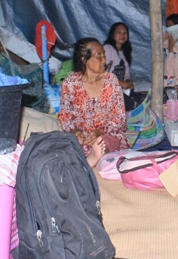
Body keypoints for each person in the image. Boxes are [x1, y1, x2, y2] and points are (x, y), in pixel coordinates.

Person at [58, 37, 129, 167]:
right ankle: (91, 158)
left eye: (103, 55)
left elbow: (119, 119)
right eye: (99, 56)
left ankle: (98, 155)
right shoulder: (70, 83)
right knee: (68, 144)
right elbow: (65, 117)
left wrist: (99, 132)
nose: (104, 60)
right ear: (84, 59)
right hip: (82, 137)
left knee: (104, 142)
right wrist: (75, 131)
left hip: (107, 134)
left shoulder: (111, 81)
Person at [103, 22, 137, 110]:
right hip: (106, 88)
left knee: (139, 99)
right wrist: (121, 83)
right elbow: (101, 73)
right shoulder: (107, 48)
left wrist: (128, 82)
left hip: (119, 89)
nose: (122, 35)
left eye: (125, 32)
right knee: (129, 104)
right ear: (112, 34)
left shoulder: (125, 51)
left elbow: (126, 74)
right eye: (119, 32)